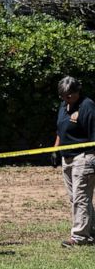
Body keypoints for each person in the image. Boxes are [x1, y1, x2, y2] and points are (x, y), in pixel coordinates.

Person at [51, 76, 95, 247]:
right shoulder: (64, 105)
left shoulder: (88, 106)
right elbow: (60, 129)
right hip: (67, 157)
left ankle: (79, 237)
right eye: (62, 96)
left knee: (81, 197)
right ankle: (91, 231)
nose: (65, 99)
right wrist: (56, 149)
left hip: (84, 157)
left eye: (68, 96)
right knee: (75, 198)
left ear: (77, 92)